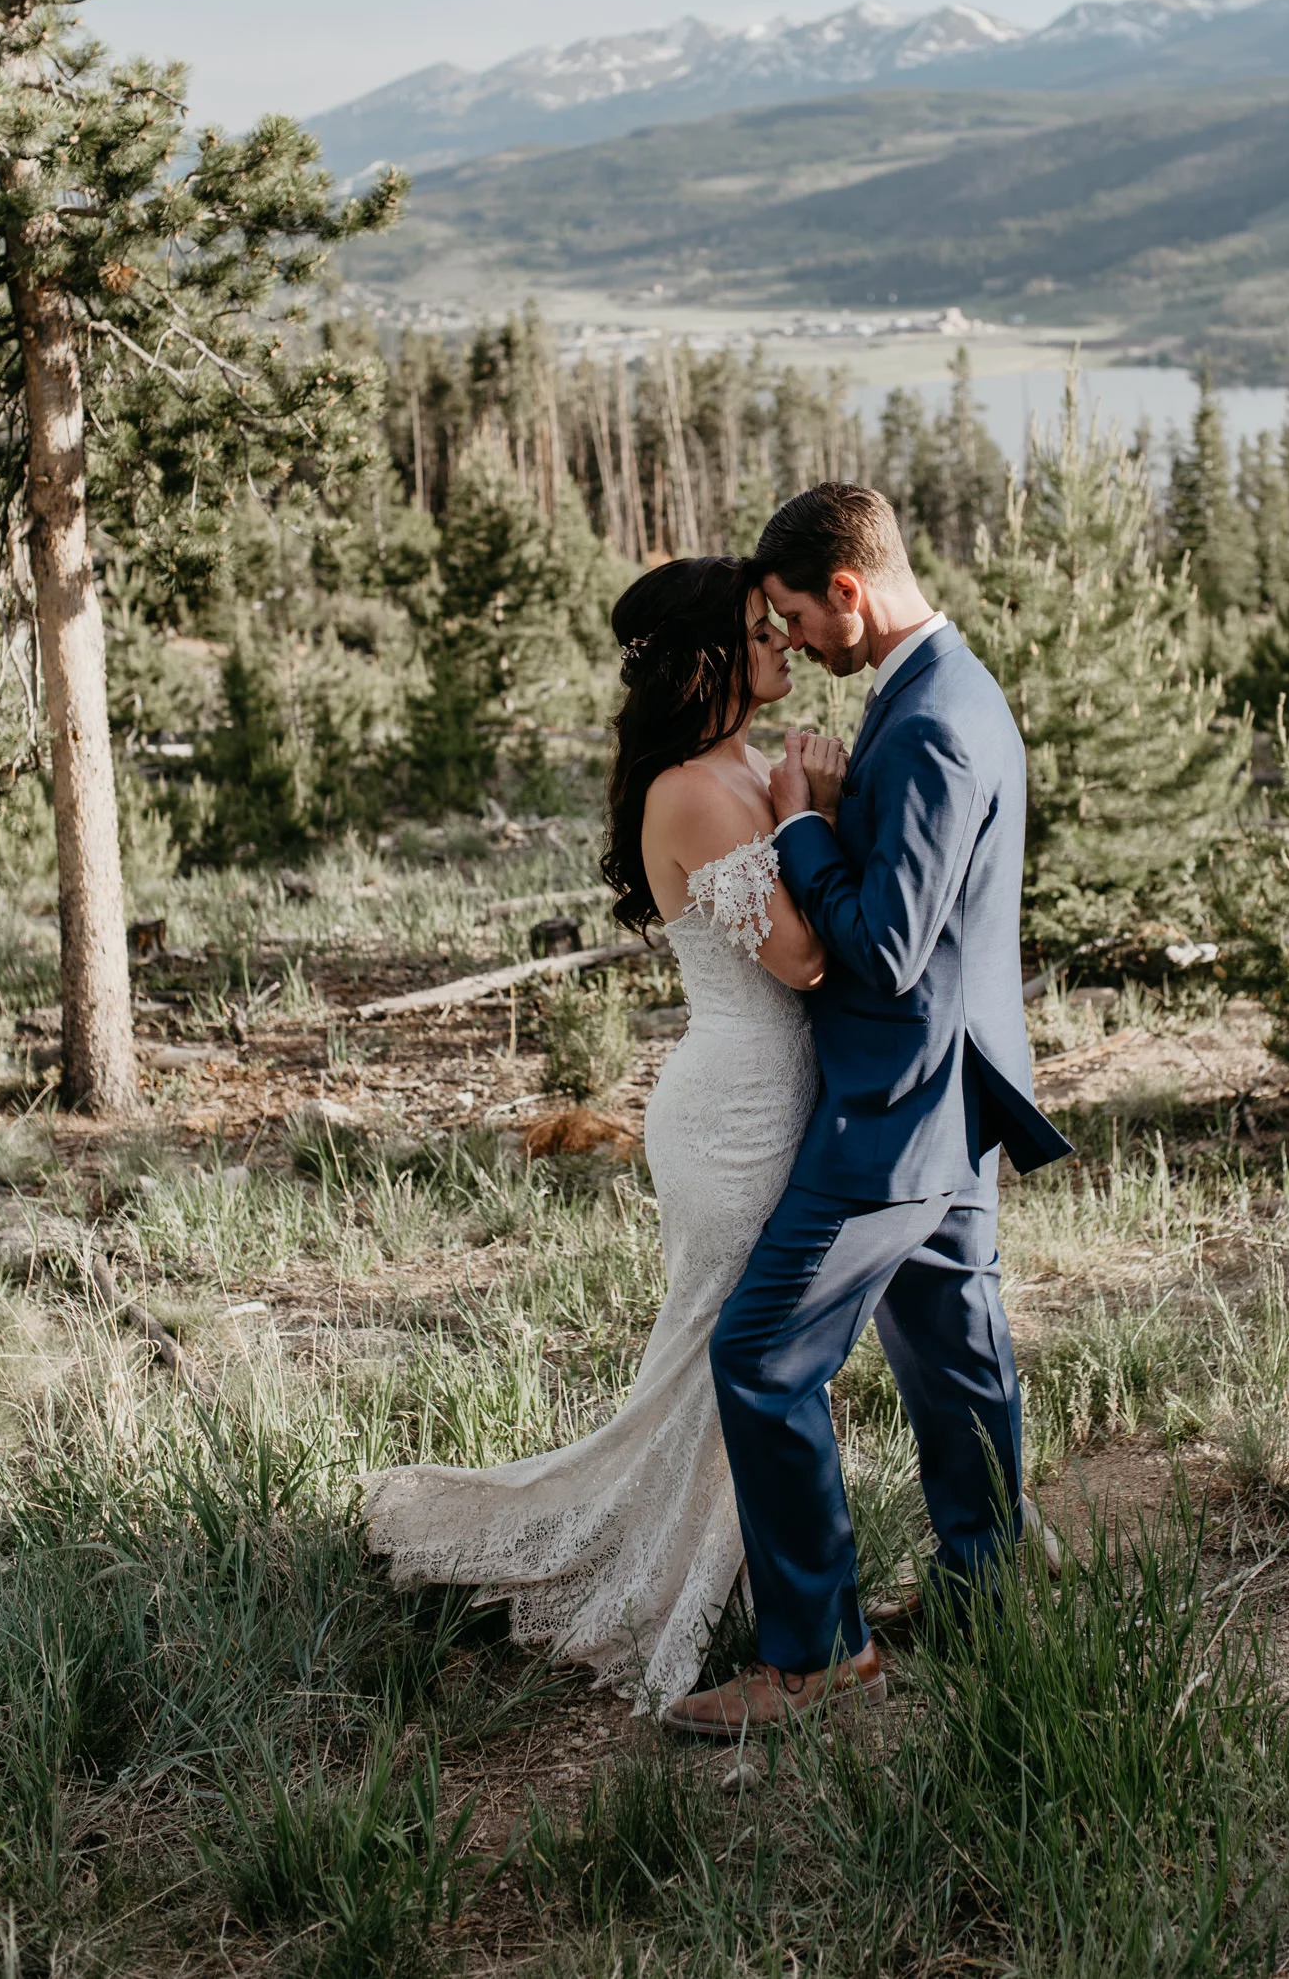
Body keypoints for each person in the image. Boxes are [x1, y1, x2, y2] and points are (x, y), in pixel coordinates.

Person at [362, 556, 840, 1711]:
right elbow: (801, 959)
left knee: (752, 1353)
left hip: (776, 1091)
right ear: (704, 660)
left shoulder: (745, 765)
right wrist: (813, 814)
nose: (783, 639)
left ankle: (762, 1582)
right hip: (736, 1110)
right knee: (727, 1353)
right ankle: (689, 1585)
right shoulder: (692, 790)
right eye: (759, 628)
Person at [663, 483, 1070, 1740]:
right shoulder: (940, 690)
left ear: (848, 590)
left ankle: (815, 1654)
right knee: (954, 1356)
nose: (790, 638)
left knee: (761, 1356)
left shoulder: (932, 720)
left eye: (794, 614)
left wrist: (800, 825)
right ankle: (985, 1596)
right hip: (952, 1092)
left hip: (896, 1107)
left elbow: (887, 950)